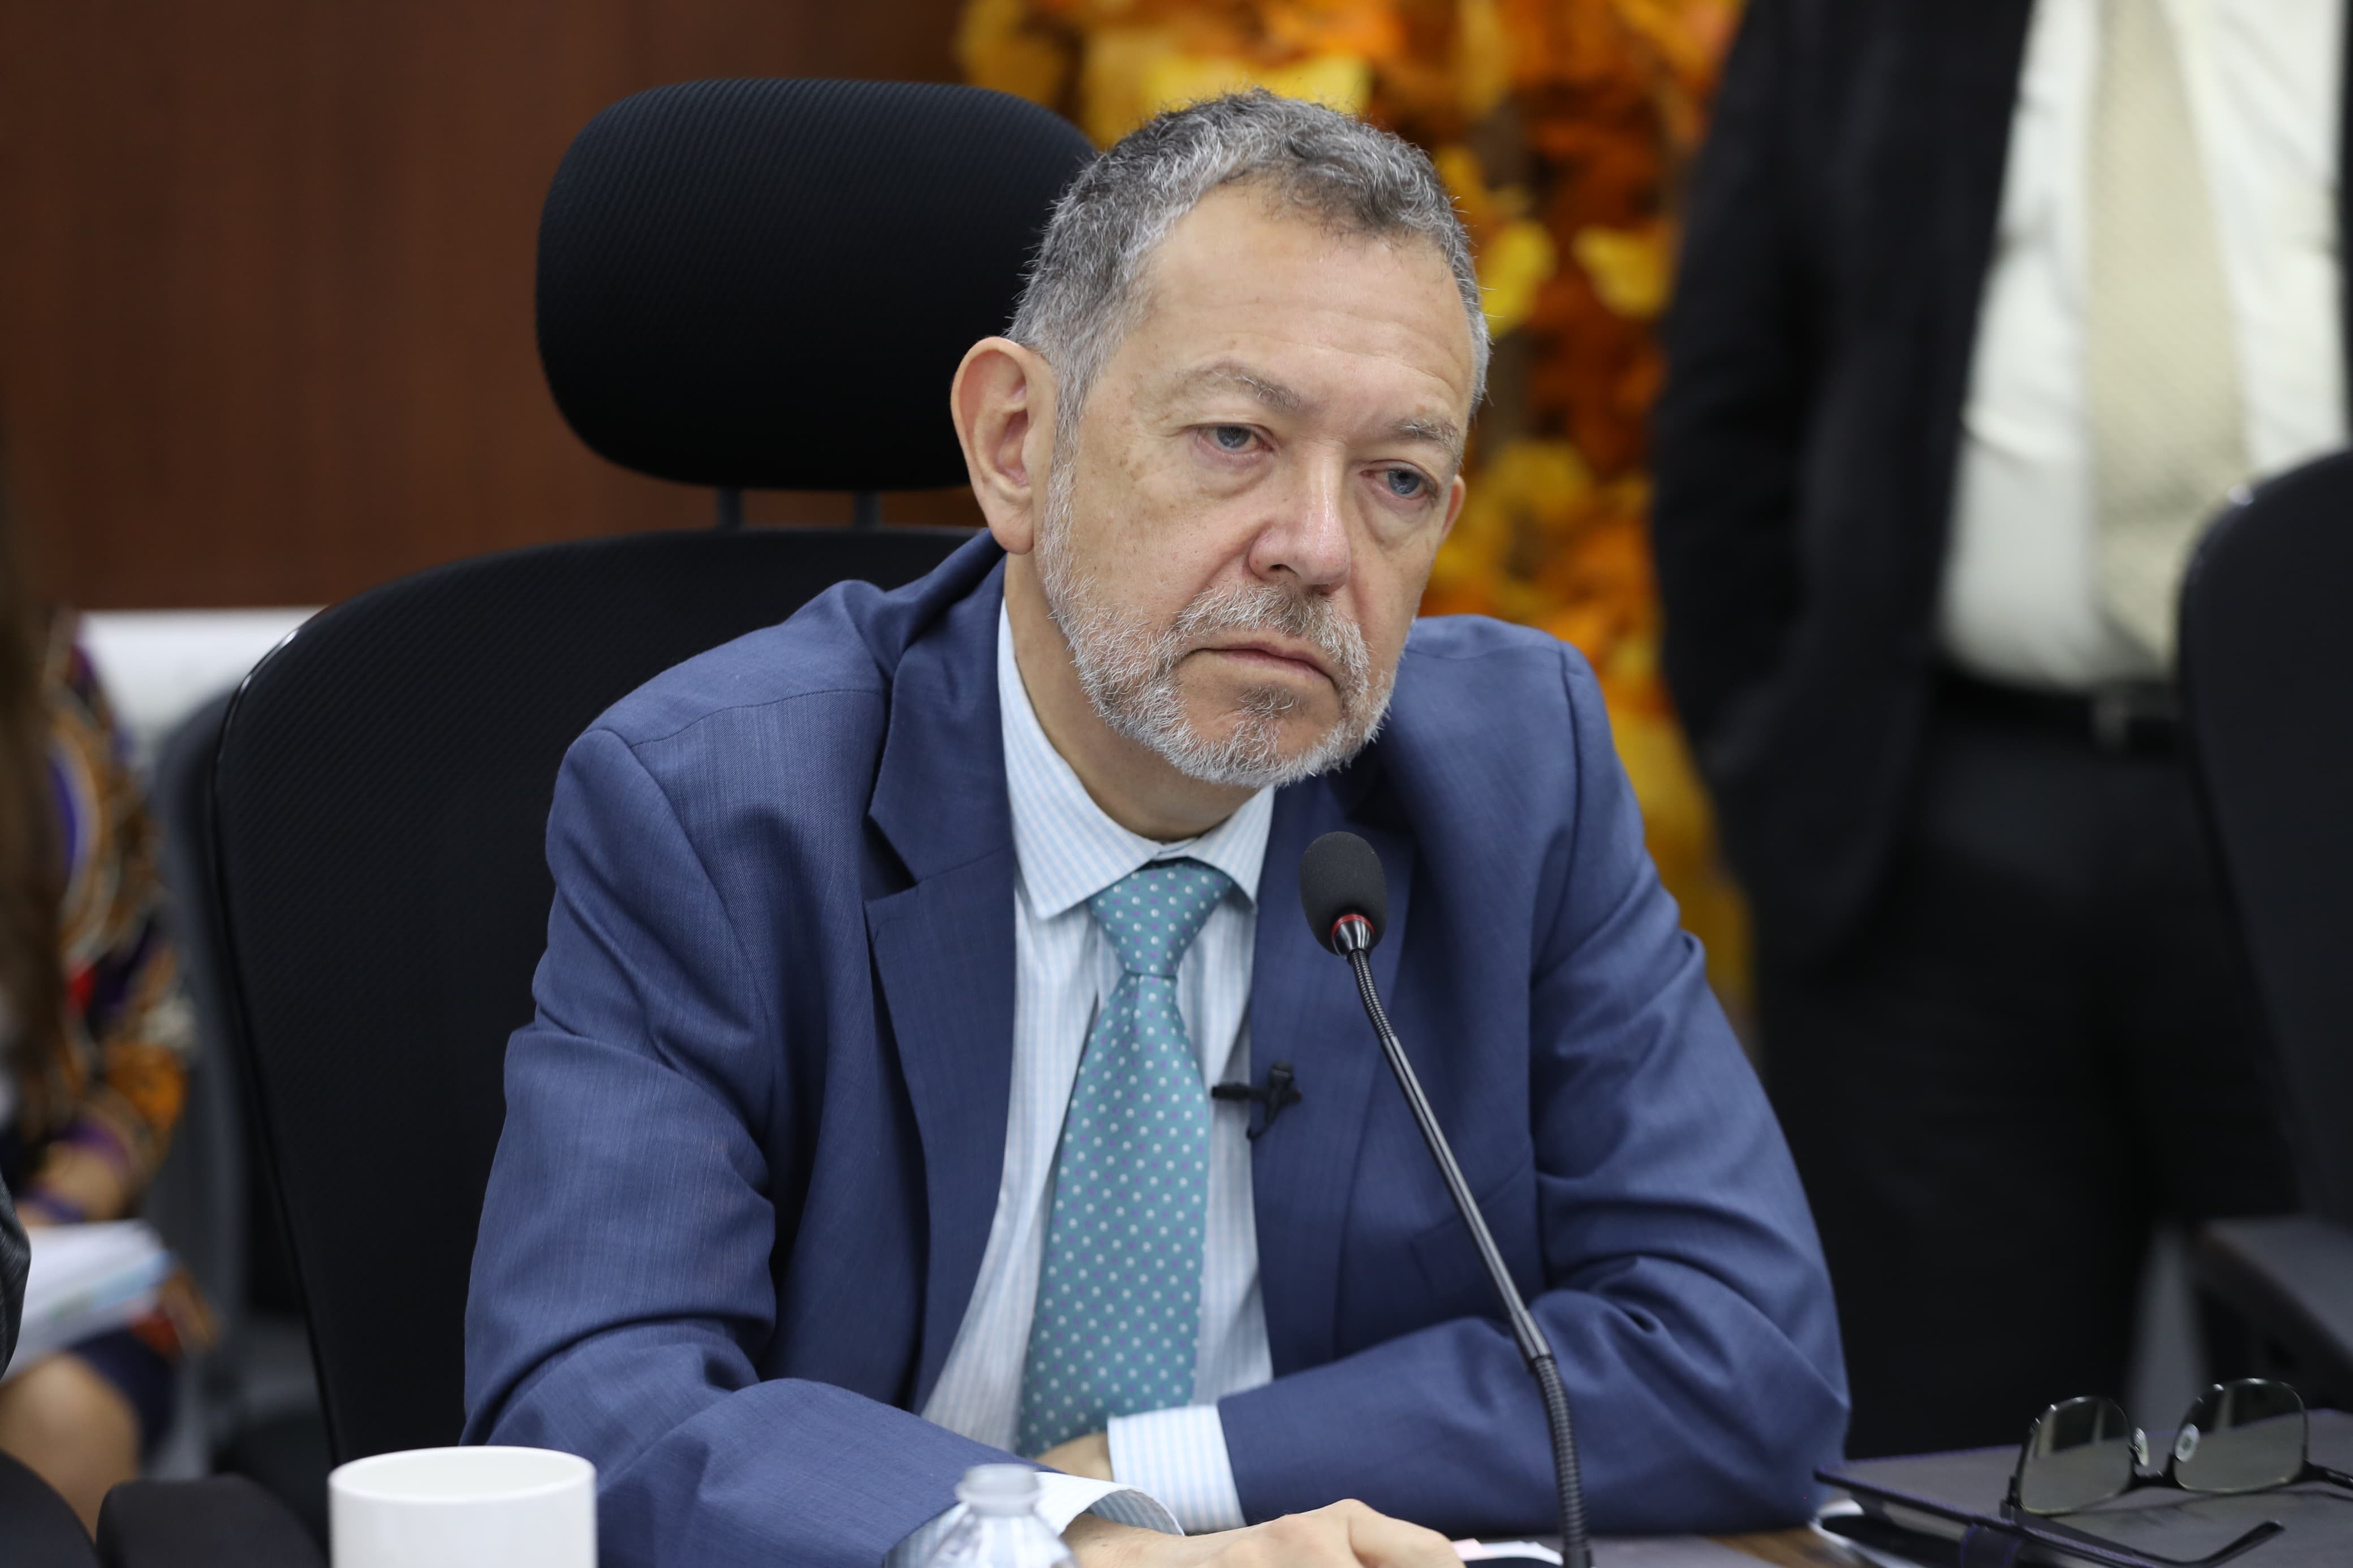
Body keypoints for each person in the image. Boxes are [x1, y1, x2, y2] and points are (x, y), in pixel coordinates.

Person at [465, 91, 1846, 1568]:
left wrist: (1159, 1471)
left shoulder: (1517, 773)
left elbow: (1745, 1360)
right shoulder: (718, 804)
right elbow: (591, 1407)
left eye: (1397, 477)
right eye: (1237, 436)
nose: (1320, 548)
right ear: (1015, 443)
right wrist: (1065, 1547)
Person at [1650, 0, 2320, 1458]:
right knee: (1951, 1460)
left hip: (2321, 830)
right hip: (1938, 831)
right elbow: (1725, 405)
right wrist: (1778, 770)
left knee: (2322, 1431)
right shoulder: (1857, 26)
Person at [0, 493, 202, 1528]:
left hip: (44, 1255)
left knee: (65, 1420)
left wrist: (41, 1220)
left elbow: (148, 1033)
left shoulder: (51, 687)